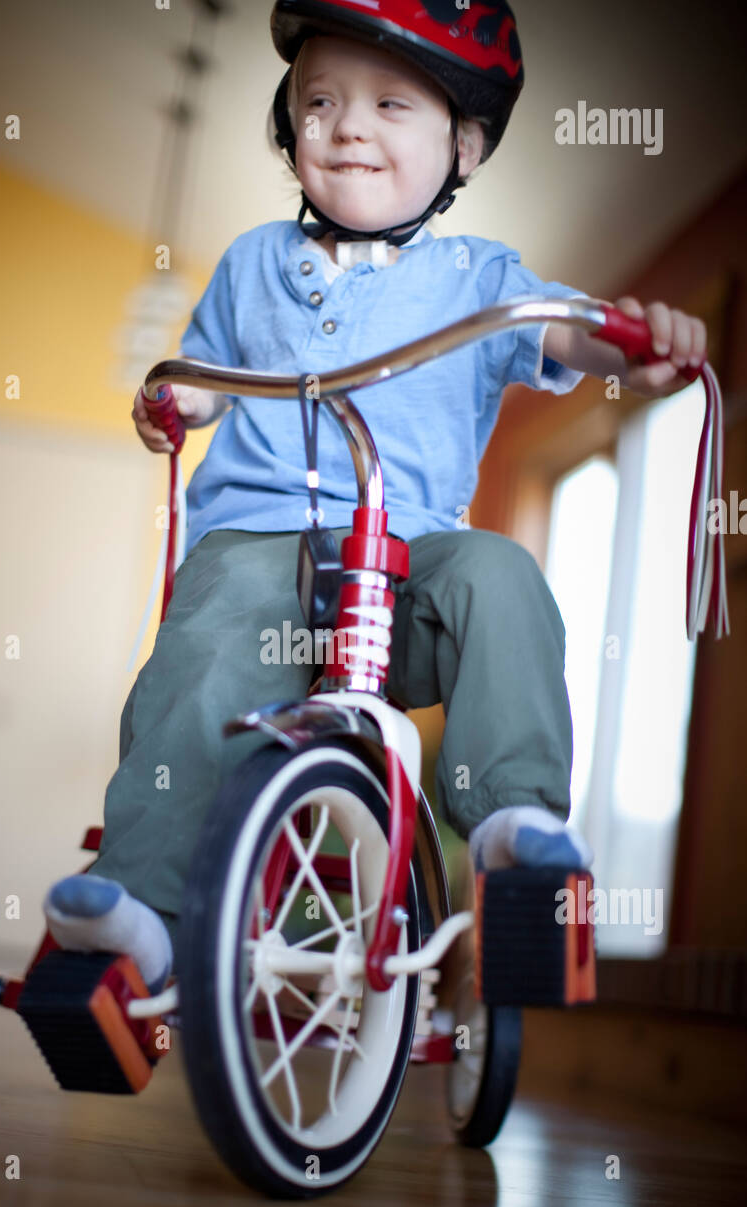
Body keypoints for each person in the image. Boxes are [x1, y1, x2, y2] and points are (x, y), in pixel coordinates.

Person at [42, 0, 706, 995]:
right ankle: (144, 910)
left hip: (404, 574)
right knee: (200, 649)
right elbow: (207, 375)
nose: (347, 125)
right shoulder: (251, 263)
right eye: (319, 102)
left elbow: (563, 331)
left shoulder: (480, 278)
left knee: (499, 575)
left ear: (465, 146)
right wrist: (176, 396)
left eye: (391, 103)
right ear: (290, 126)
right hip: (257, 554)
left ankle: (514, 827)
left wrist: (625, 343)